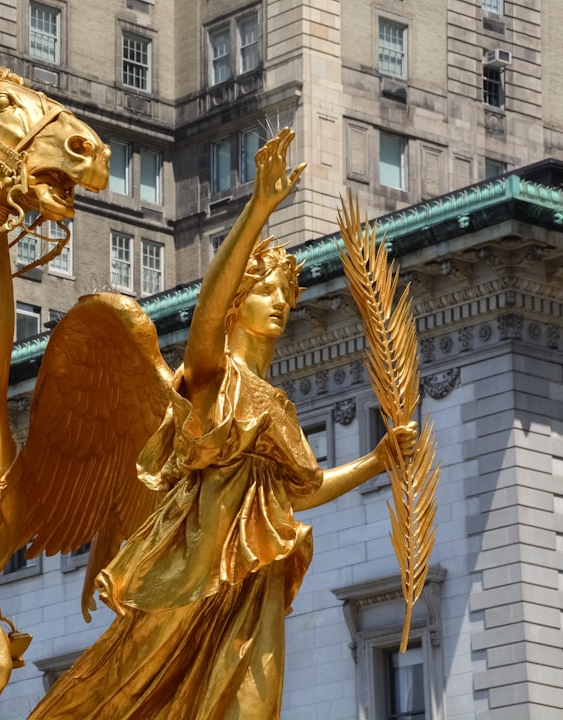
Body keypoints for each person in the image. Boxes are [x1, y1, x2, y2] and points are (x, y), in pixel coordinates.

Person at [28, 129, 417, 719]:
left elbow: (304, 491)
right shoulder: (213, 377)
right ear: (238, 300)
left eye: (286, 293)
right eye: (265, 290)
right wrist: (260, 208)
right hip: (192, 585)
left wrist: (378, 459)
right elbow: (207, 313)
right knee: (127, 691)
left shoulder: (276, 405)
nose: (281, 302)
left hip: (253, 584)